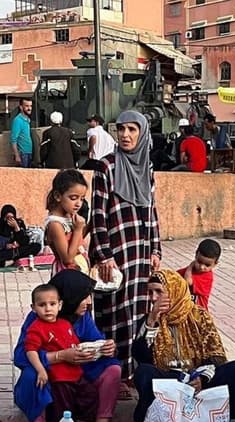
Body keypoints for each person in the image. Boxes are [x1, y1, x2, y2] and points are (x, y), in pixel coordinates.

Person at [88, 110, 161, 380]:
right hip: (116, 253)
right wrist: (104, 255)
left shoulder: (147, 169)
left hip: (140, 253)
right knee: (114, 312)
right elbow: (98, 214)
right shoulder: (106, 167)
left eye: (132, 129)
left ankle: (133, 373)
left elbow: (151, 210)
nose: (125, 135)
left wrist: (155, 248)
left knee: (138, 311)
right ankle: (112, 373)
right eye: (121, 129)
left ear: (142, 133)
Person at [132, 270, 235, 422]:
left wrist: (202, 378)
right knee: (143, 372)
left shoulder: (199, 316)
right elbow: (141, 357)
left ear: (174, 290)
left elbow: (215, 354)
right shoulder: (150, 320)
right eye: (150, 292)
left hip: (199, 376)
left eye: (159, 292)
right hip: (170, 380)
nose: (153, 298)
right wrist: (152, 321)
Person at [49, 270, 134, 422]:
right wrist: (62, 356)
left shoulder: (82, 317)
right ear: (70, 297)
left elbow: (96, 340)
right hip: (52, 374)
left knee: (112, 368)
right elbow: (23, 356)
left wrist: (107, 347)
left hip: (78, 368)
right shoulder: (44, 315)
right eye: (84, 297)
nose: (89, 302)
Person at [13, 284, 96, 422]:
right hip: (56, 378)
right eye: (42, 305)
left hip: (73, 374)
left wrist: (95, 350)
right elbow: (27, 352)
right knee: (60, 402)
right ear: (33, 308)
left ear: (60, 305)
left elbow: (75, 344)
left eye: (52, 304)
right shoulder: (36, 327)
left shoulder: (66, 324)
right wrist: (42, 369)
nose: (48, 309)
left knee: (89, 394)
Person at [44, 169, 89, 275]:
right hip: (66, 275)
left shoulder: (69, 216)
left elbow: (76, 240)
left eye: (82, 199)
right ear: (58, 196)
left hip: (78, 271)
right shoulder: (55, 224)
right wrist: (78, 230)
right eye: (73, 198)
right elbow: (67, 259)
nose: (79, 204)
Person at [177, 238, 221, 311]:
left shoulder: (207, 277)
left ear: (215, 264)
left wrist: (191, 266)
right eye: (199, 262)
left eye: (207, 265)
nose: (201, 267)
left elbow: (187, 281)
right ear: (196, 255)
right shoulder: (185, 271)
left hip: (199, 312)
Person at [11, 98, 34, 168]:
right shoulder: (17, 120)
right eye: (27, 106)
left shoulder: (28, 120)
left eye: (30, 106)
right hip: (23, 154)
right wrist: (17, 155)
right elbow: (13, 139)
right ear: (21, 107)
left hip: (29, 152)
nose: (29, 108)